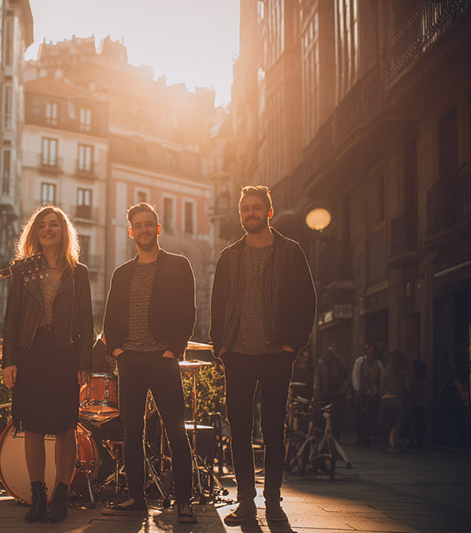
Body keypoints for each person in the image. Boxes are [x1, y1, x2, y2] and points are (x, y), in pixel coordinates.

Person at [209, 186, 316, 525]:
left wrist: (292, 345)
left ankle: (273, 502)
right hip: (237, 354)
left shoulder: (290, 252)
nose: (250, 214)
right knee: (239, 429)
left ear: (269, 212)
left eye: (257, 208)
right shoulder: (229, 256)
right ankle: (246, 502)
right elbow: (217, 302)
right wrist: (220, 345)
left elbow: (307, 300)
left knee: (273, 429)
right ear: (240, 214)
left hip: (275, 354)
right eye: (245, 209)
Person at [101, 202, 197, 524]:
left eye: (148, 224)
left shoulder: (178, 266)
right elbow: (110, 317)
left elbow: (188, 312)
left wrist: (174, 349)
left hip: (162, 359)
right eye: (137, 225)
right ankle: (136, 498)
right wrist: (116, 351)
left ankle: (184, 500)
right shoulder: (122, 273)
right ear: (131, 231)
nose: (143, 229)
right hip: (130, 361)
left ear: (158, 228)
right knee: (132, 433)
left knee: (175, 431)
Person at [2, 206, 93, 523]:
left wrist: (85, 362)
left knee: (65, 427)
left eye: (55, 224)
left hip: (64, 355)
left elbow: (86, 321)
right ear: (35, 232)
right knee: (33, 428)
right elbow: (11, 319)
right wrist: (9, 361)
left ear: (63, 231)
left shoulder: (77, 272)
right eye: (43, 224)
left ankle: (61, 497)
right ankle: (37, 498)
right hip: (32, 352)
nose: (49, 229)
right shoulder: (23, 270)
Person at [314, 347, 350, 442]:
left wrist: (318, 394)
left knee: (328, 417)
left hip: (330, 395)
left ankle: (328, 437)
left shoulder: (325, 363)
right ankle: (332, 437)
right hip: (333, 395)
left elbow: (318, 380)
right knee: (334, 417)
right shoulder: (338, 364)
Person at [352, 344, 383, 447]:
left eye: (372, 351)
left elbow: (381, 380)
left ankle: (366, 438)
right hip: (361, 393)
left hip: (372, 394)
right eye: (369, 351)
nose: (371, 353)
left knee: (370, 417)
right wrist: (357, 388)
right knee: (359, 416)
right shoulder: (360, 361)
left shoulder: (378, 364)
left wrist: (378, 391)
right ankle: (359, 437)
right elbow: (355, 374)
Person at [380, 350, 408, 452]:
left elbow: (382, 385)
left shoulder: (385, 370)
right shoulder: (401, 373)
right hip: (396, 398)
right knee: (397, 422)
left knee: (389, 421)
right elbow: (404, 387)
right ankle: (394, 443)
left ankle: (389, 443)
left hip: (386, 398)